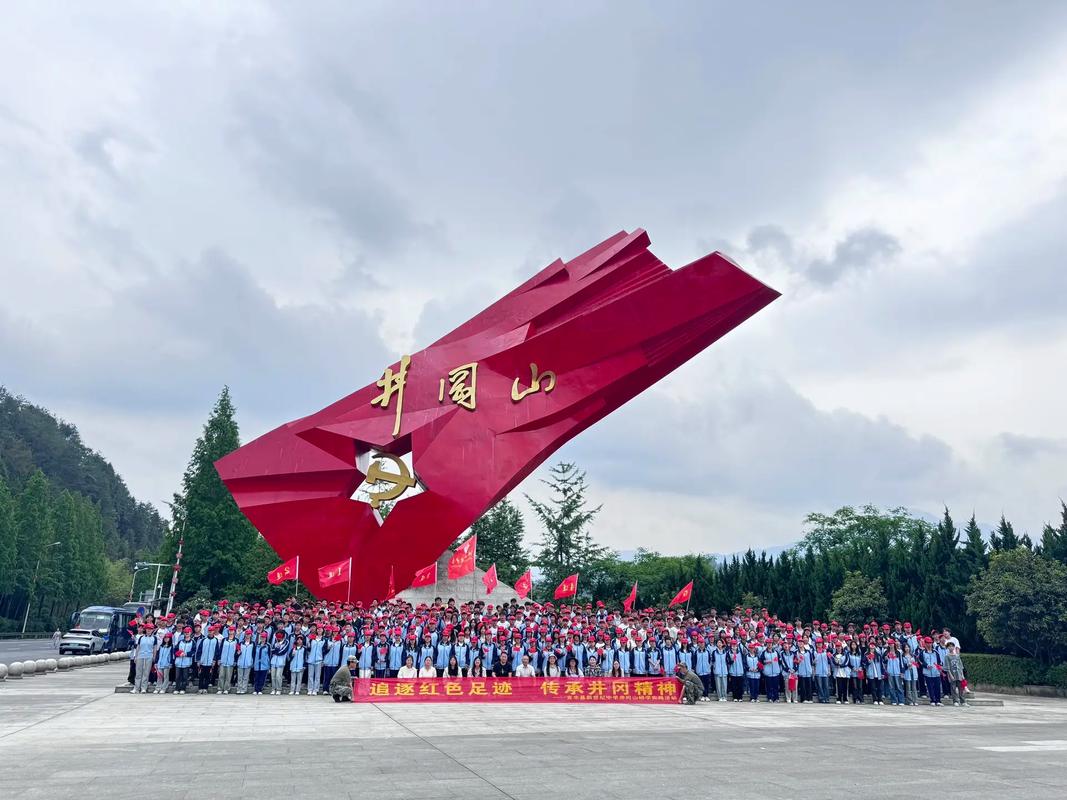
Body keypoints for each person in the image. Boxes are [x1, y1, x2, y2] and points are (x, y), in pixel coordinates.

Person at [133, 624, 157, 694]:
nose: (149, 630)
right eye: (147, 629)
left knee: (146, 673)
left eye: (150, 629)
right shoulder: (141, 637)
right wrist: (136, 656)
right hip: (140, 656)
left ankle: (144, 688)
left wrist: (154, 657)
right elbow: (138, 647)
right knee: (138, 673)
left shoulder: (154, 638)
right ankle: (136, 688)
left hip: (149, 656)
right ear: (145, 629)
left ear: (152, 630)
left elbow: (154, 648)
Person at [218, 628, 239, 695]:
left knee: (228, 676)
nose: (231, 632)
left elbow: (237, 651)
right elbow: (220, 649)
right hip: (223, 660)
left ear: (234, 632)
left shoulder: (236, 640)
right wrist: (219, 659)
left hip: (231, 661)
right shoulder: (224, 640)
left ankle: (226, 689)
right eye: (230, 630)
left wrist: (235, 660)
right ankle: (220, 688)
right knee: (221, 675)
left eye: (232, 630)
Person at [236, 630, 255, 694]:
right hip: (240, 662)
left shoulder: (253, 643)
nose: (248, 635)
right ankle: (239, 688)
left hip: (248, 662)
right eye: (247, 634)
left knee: (246, 677)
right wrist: (238, 653)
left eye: (249, 634)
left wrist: (252, 662)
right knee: (240, 677)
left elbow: (253, 654)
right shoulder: (241, 643)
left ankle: (244, 689)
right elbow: (237, 652)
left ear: (251, 635)